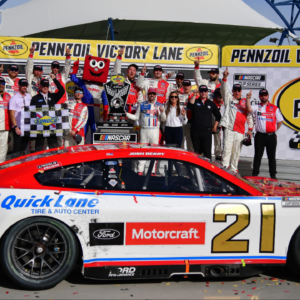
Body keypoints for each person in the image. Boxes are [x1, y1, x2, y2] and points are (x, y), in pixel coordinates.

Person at [220, 67, 253, 173]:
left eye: (239, 90)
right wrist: (224, 78)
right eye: (235, 90)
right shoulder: (229, 98)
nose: (237, 92)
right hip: (229, 129)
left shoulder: (245, 101)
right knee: (226, 152)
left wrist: (250, 129)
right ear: (233, 91)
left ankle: (233, 172)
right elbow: (224, 89)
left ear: (241, 91)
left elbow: (249, 116)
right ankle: (223, 171)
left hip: (240, 131)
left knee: (236, 154)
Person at [126, 88, 166, 175]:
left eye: (153, 94)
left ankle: (152, 172)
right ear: (148, 94)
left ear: (156, 95)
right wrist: (126, 114)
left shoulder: (160, 105)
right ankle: (140, 171)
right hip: (144, 130)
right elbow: (136, 117)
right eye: (150, 94)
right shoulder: (142, 104)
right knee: (142, 151)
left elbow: (164, 119)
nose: (152, 95)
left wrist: (162, 112)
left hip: (155, 131)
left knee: (154, 152)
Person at [246, 89, 283, 179]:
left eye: (265, 95)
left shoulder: (274, 108)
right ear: (259, 97)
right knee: (258, 156)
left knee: (272, 157)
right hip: (260, 136)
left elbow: (280, 121)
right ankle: (255, 175)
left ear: (268, 96)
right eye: (262, 95)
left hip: (271, 136)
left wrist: (274, 130)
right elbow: (249, 109)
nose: (263, 96)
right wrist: (248, 99)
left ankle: (273, 176)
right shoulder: (257, 106)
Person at [70, 59, 108, 137]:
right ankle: (81, 147)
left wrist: (105, 112)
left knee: (95, 130)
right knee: (83, 129)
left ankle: (94, 147)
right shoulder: (83, 82)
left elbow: (105, 99)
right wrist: (75, 67)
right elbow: (73, 78)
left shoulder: (102, 85)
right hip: (84, 108)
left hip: (96, 110)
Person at [30, 75, 65, 151]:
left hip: (51, 125)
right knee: (38, 148)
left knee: (53, 147)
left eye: (47, 86)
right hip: (40, 126)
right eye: (43, 86)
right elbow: (32, 113)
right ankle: (38, 162)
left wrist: (54, 79)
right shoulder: (35, 98)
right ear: (40, 86)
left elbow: (62, 90)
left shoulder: (53, 96)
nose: (45, 87)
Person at [187, 85, 221, 159]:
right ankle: (197, 170)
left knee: (207, 153)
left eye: (205, 91)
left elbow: (218, 115)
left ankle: (206, 170)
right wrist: (194, 95)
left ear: (207, 92)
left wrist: (215, 126)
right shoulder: (195, 101)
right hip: (195, 131)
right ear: (199, 92)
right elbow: (190, 106)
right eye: (201, 91)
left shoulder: (211, 103)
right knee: (197, 153)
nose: (203, 93)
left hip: (207, 132)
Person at [113, 48, 143, 113]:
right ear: (127, 71)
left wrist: (138, 111)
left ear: (135, 73)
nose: (132, 71)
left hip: (132, 109)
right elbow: (116, 71)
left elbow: (140, 100)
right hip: (121, 107)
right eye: (130, 70)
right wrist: (119, 57)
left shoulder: (138, 85)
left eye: (134, 70)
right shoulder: (122, 80)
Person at [9, 78, 31, 155]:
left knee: (24, 148)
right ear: (19, 86)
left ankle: (22, 165)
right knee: (17, 148)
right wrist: (16, 127)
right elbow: (12, 114)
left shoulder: (29, 96)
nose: (24, 87)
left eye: (26, 85)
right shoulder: (14, 98)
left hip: (27, 126)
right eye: (22, 85)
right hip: (18, 126)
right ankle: (13, 165)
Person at [179, 79, 194, 151]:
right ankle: (179, 160)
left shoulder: (194, 96)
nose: (186, 87)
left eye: (188, 85)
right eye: (185, 85)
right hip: (181, 122)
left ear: (191, 86)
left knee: (190, 144)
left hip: (191, 123)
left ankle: (190, 161)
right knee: (180, 143)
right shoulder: (178, 96)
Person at [0, 77, 11, 162]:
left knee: (3, 149)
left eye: (3, 83)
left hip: (5, 127)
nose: (1, 85)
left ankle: (1, 167)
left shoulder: (8, 95)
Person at [212, 88, 224, 160]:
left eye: (220, 95)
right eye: (217, 95)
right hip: (211, 121)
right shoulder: (212, 102)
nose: (218, 97)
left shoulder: (225, 103)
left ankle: (218, 153)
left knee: (218, 139)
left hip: (219, 123)